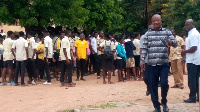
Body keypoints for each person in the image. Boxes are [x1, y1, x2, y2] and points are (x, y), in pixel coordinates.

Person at [140, 14, 177, 112]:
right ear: (152, 22)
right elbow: (144, 48)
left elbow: (175, 43)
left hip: (164, 63)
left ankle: (164, 102)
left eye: (158, 20)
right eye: (154, 21)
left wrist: (171, 42)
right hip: (151, 64)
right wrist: (142, 60)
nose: (156, 22)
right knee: (153, 86)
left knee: (164, 83)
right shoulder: (148, 34)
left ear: (161, 21)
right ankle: (156, 106)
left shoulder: (167, 32)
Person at [182, 19, 200, 103]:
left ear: (192, 24)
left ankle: (192, 97)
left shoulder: (193, 34)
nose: (186, 27)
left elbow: (194, 48)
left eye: (188, 25)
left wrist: (184, 52)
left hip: (193, 60)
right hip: (195, 59)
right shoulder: (194, 33)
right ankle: (196, 96)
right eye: (186, 25)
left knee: (192, 80)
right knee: (195, 79)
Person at [140, 24, 153, 96]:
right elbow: (141, 49)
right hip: (146, 60)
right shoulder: (143, 37)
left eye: (152, 29)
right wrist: (141, 60)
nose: (150, 30)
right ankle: (149, 87)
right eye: (149, 29)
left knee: (153, 76)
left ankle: (151, 89)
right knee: (145, 77)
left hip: (154, 60)